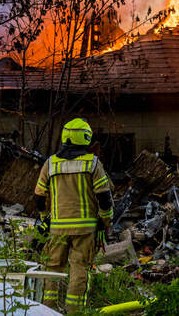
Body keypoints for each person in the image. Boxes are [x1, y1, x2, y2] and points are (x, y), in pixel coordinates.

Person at [34, 118, 114, 312]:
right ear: (86, 138)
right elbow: (104, 198)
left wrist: (45, 217)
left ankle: (48, 310)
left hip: (57, 229)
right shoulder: (93, 164)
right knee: (79, 269)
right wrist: (106, 221)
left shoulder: (50, 163)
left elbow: (39, 196)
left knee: (53, 268)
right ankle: (74, 311)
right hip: (85, 230)